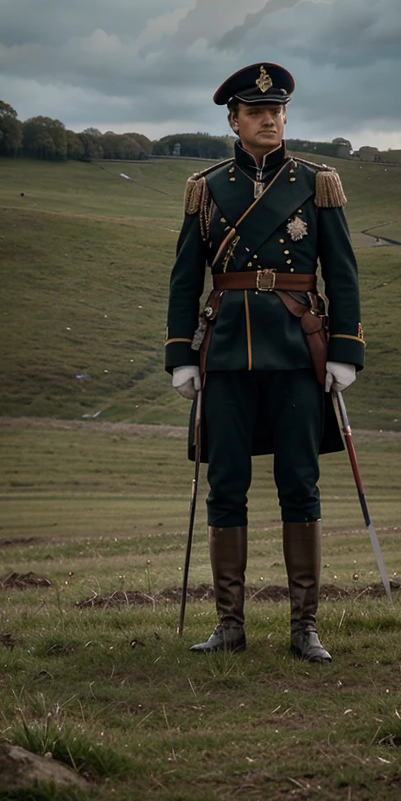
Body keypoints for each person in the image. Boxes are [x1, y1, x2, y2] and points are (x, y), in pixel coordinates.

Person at [164, 62, 365, 662]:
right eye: (256, 112)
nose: (270, 120)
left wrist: (346, 352)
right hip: (225, 352)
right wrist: (182, 356)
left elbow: (344, 274)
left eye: (277, 111)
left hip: (296, 351)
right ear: (233, 119)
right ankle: (230, 625)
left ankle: (305, 626)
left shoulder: (316, 181)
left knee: (299, 485)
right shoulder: (207, 187)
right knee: (227, 486)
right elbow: (184, 280)